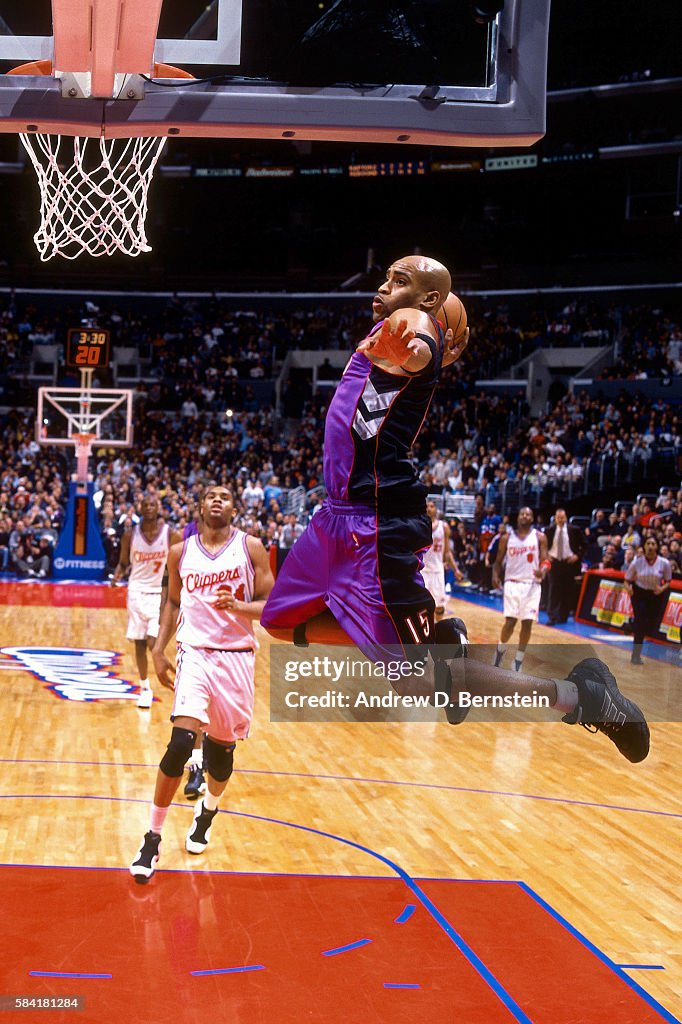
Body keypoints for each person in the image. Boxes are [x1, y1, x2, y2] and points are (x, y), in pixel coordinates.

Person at [261, 257, 649, 765]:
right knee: (280, 621)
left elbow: (418, 342)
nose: (383, 286)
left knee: (424, 682)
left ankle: (583, 696)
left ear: (428, 300)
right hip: (334, 516)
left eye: (399, 281)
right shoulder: (394, 327)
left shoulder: (411, 326)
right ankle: (438, 638)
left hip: (374, 528)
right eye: (387, 278)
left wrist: (421, 351)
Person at [129, 483, 274, 883]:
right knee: (179, 744)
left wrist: (240, 606)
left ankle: (207, 810)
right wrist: (159, 649)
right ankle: (152, 838)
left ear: (233, 509)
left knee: (221, 756)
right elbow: (173, 601)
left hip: (237, 659)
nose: (217, 500)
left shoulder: (251, 548)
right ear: (198, 506)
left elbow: (272, 605)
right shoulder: (181, 552)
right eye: (211, 495)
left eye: (225, 496)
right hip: (194, 653)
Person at [112, 495, 183, 709]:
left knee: (154, 643)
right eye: (145, 505)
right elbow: (124, 562)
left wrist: (173, 594)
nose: (149, 507)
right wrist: (117, 575)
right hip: (135, 591)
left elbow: (177, 569)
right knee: (140, 644)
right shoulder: (129, 535)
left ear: (159, 508)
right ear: (140, 509)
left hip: (158, 592)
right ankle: (145, 689)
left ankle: (180, 682)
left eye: (153, 504)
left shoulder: (171, 535)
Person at [492, 507, 549, 672]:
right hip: (512, 583)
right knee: (510, 623)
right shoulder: (506, 538)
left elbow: (546, 560)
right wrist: (495, 576)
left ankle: (518, 660)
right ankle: (500, 650)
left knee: (527, 624)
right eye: (522, 513)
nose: (525, 516)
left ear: (532, 518)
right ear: (517, 517)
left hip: (532, 584)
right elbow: (498, 561)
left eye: (528, 514)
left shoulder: (540, 537)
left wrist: (543, 571)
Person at [624, 536, 672, 664]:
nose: (650, 546)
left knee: (649, 623)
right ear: (644, 546)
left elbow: (668, 581)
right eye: (648, 544)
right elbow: (627, 580)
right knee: (641, 623)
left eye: (653, 544)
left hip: (655, 594)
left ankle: (630, 625)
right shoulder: (637, 562)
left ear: (657, 547)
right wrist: (628, 588)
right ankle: (635, 656)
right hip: (639, 593)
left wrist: (661, 589)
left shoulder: (664, 563)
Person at [545, 508, 586, 624]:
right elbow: (542, 545)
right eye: (558, 518)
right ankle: (552, 616)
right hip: (554, 563)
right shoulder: (549, 530)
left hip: (569, 563)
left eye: (562, 517)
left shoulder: (574, 530)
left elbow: (584, 545)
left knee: (567, 590)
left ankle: (563, 616)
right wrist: (546, 555)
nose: (560, 520)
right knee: (553, 589)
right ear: (555, 518)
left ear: (566, 518)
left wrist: (577, 556)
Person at [422, 500, 458, 618]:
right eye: (427, 506)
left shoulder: (444, 527)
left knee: (439, 607)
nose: (429, 509)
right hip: (423, 571)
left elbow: (447, 553)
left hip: (437, 571)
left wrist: (456, 570)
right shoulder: (419, 525)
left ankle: (439, 633)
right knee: (422, 608)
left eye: (432, 506)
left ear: (436, 509)